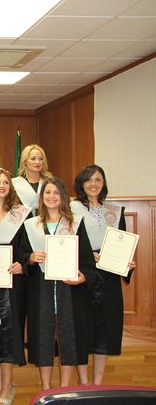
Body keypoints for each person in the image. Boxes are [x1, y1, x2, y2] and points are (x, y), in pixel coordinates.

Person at [20, 177, 96, 390]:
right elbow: (22, 256)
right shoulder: (31, 225)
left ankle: (64, 390)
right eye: (47, 193)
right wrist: (32, 258)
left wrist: (82, 277)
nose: (51, 197)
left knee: (69, 341)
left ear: (63, 197)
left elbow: (87, 262)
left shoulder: (75, 224)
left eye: (56, 193)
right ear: (41, 197)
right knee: (43, 340)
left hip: (69, 293)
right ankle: (46, 389)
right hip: (41, 293)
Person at [71, 164, 136, 385]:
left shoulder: (115, 212)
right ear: (81, 183)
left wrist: (128, 263)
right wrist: (88, 257)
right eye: (89, 179)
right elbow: (69, 243)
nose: (94, 184)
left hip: (108, 278)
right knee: (82, 329)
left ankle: (98, 383)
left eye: (98, 180)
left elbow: (123, 241)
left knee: (105, 331)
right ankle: (83, 382)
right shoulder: (71, 209)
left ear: (103, 184)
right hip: (82, 277)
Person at [0, 170, 32, 405]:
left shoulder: (21, 215)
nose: (2, 186)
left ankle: (8, 385)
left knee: (10, 332)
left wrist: (22, 263)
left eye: (6, 183)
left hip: (13, 283)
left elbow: (26, 248)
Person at [12, 144, 52, 215]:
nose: (37, 162)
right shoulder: (14, 184)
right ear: (25, 162)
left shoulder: (50, 182)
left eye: (41, 159)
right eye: (33, 159)